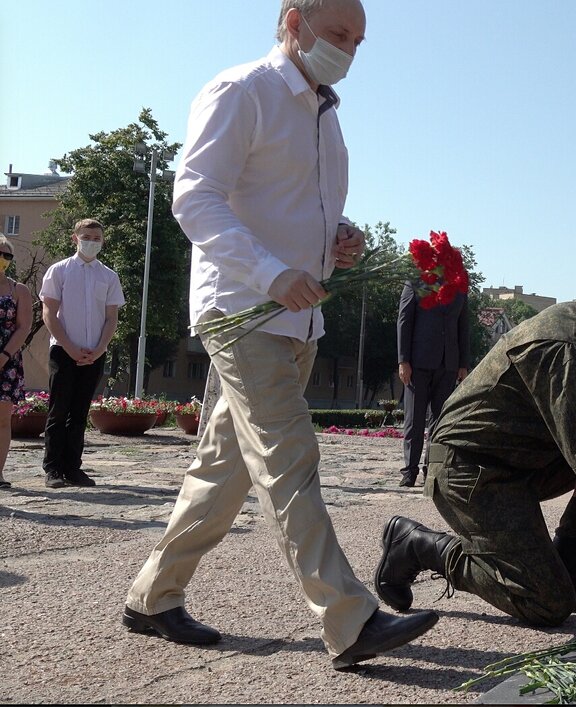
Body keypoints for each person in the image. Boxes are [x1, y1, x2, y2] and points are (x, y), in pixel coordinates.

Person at [124, 0, 438, 671]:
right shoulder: (243, 90)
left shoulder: (326, 116)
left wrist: (338, 239)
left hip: (299, 318)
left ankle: (152, 595)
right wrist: (271, 273)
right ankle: (348, 618)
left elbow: (294, 208)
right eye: (337, 34)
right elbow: (194, 195)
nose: (349, 50)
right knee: (292, 460)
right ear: (293, 21)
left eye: (359, 40)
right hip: (245, 313)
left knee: (221, 473)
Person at [373, 279, 576, 625]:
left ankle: (566, 565)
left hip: (516, 463)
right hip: (469, 469)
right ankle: (418, 546)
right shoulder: (565, 346)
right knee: (546, 602)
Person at [40, 219, 123, 489]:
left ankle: (73, 468)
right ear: (75, 238)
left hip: (93, 353)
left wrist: (99, 349)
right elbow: (49, 312)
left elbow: (111, 317)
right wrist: (69, 346)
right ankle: (52, 469)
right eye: (87, 236)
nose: (92, 242)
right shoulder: (59, 271)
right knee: (58, 411)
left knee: (79, 413)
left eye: (97, 238)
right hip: (64, 351)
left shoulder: (108, 276)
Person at [396, 280, 470, 487]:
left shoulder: (459, 288)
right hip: (417, 364)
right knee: (415, 420)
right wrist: (403, 360)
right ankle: (410, 471)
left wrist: (463, 364)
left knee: (440, 422)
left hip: (448, 365)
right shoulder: (415, 283)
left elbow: (463, 326)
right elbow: (404, 321)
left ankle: (433, 470)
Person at [0, 237, 32, 490]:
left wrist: (4, 356)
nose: (2, 260)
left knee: (2, 420)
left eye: (7, 256)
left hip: (6, 362)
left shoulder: (18, 290)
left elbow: (23, 328)